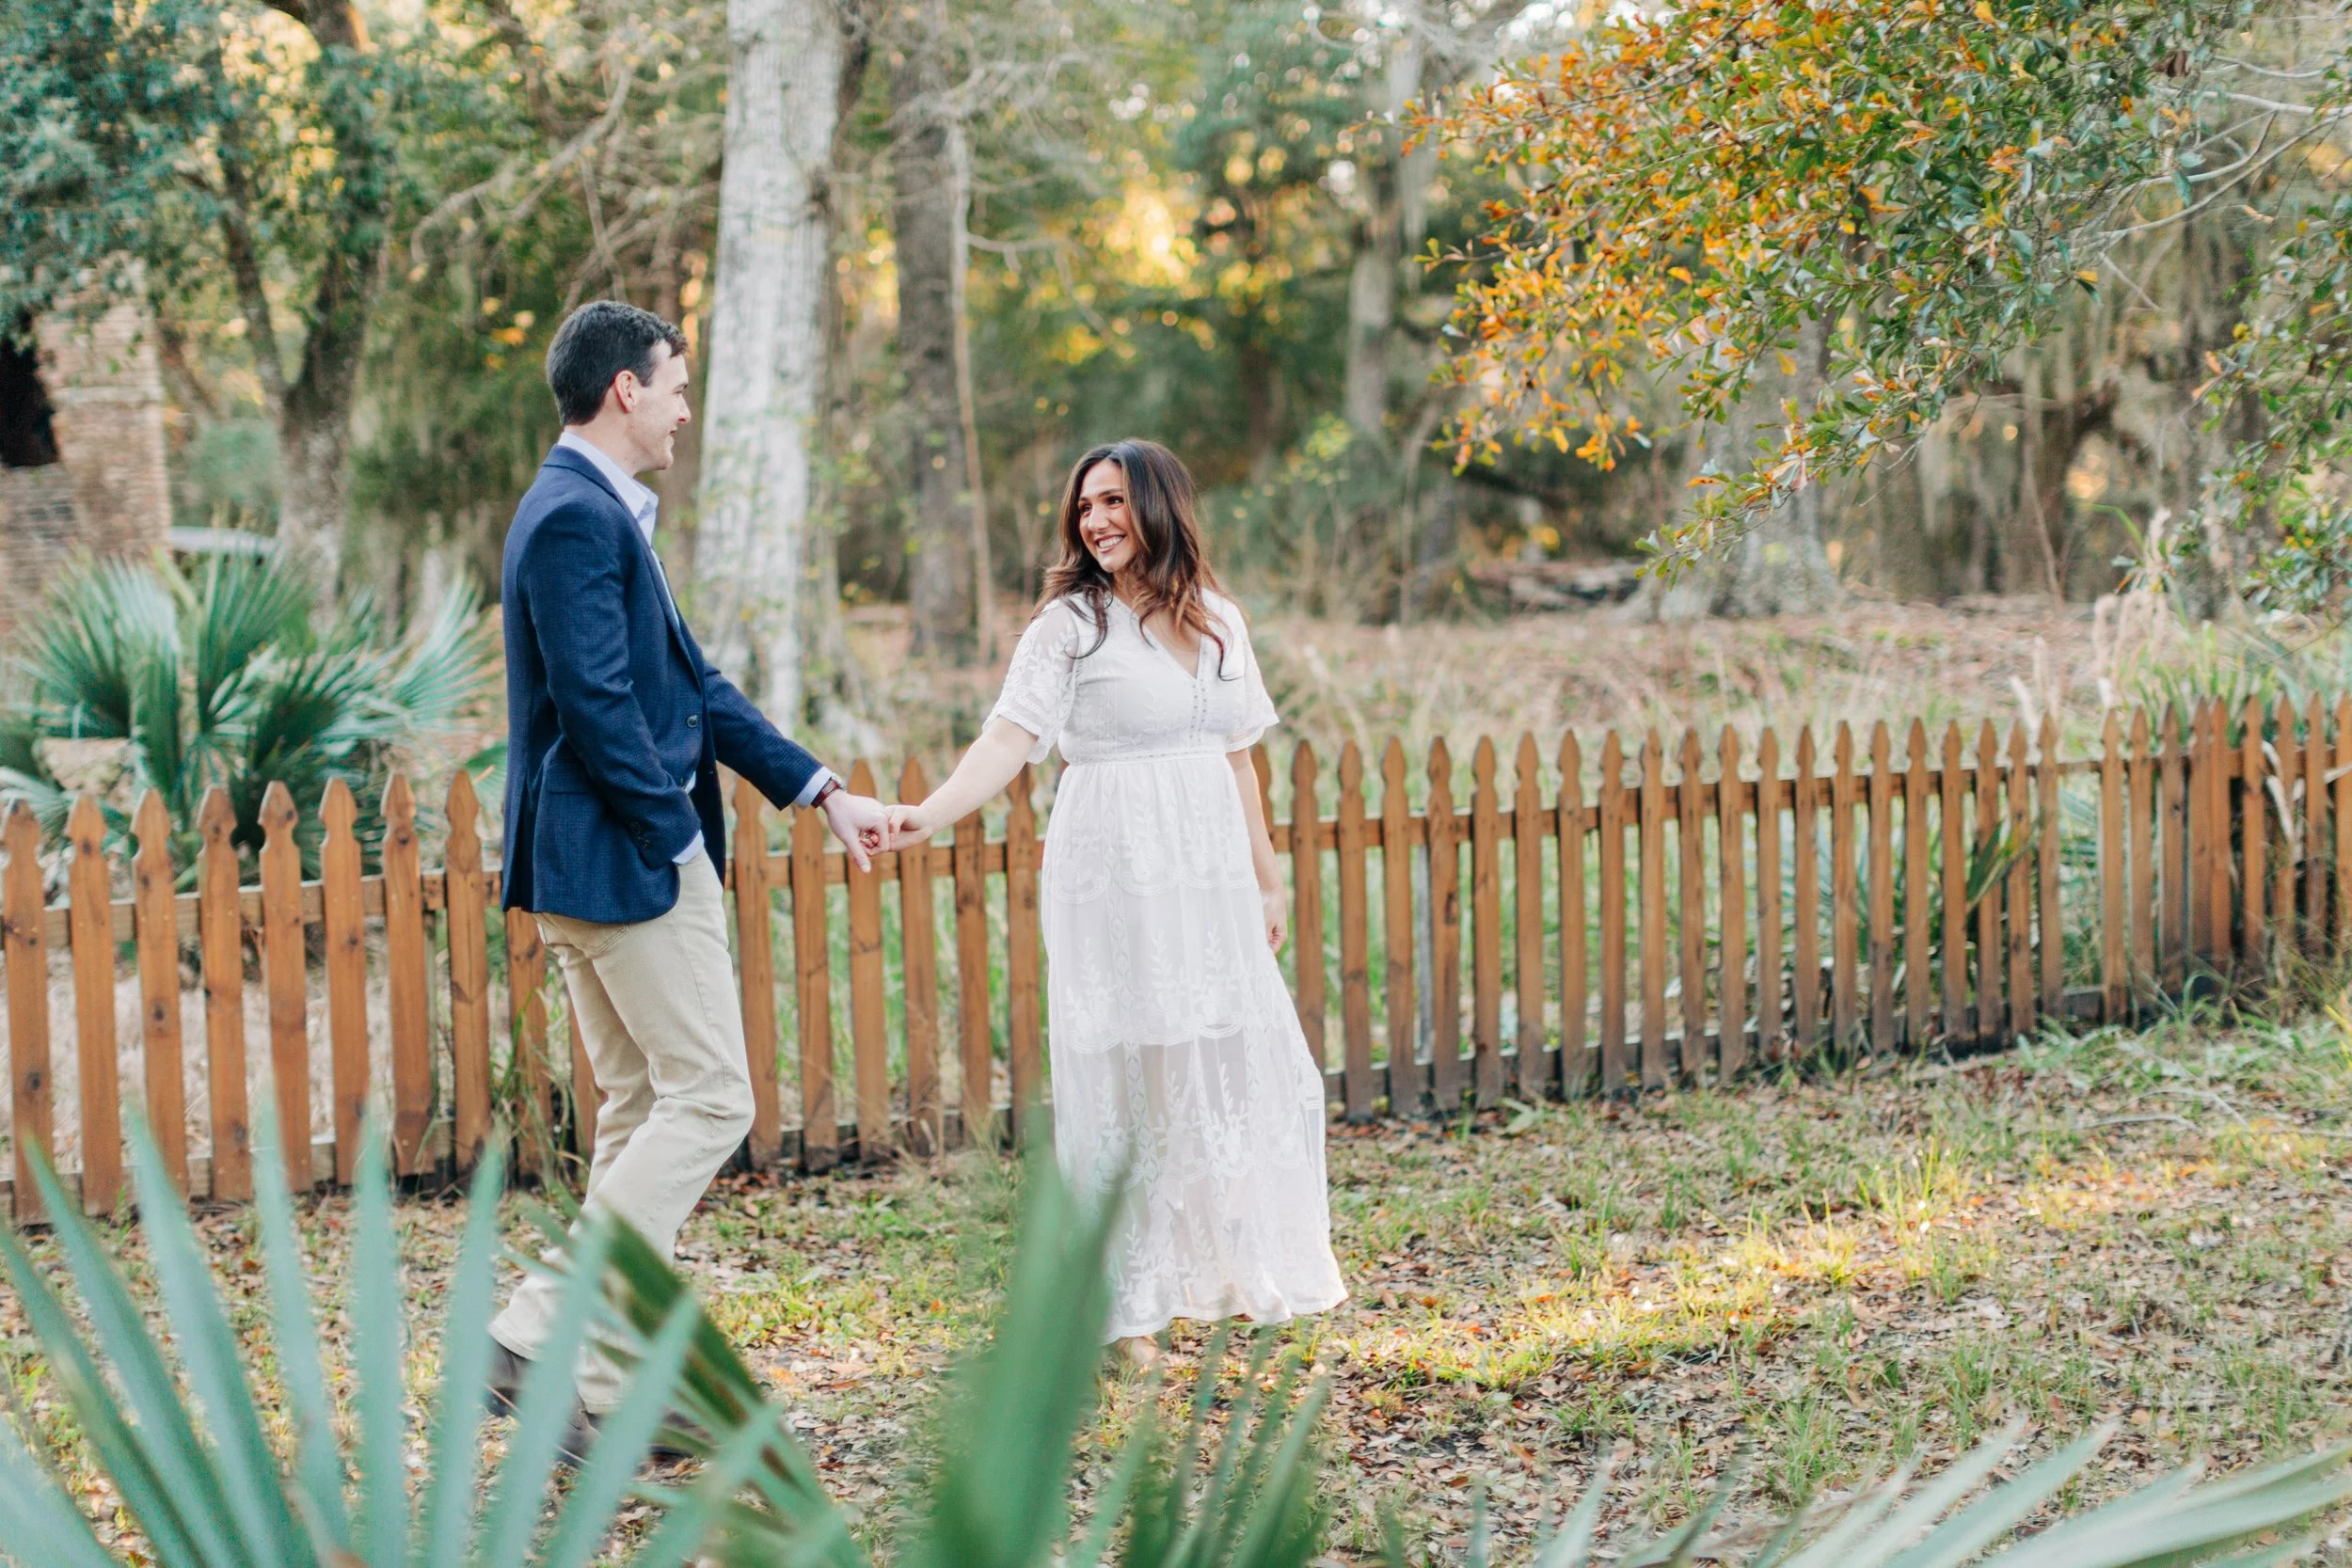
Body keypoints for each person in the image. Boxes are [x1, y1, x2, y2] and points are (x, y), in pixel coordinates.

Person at [487, 300, 891, 1452]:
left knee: (637, 1110)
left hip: (591, 862)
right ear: (623, 389)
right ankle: (531, 1325)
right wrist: (673, 835)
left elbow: (694, 688)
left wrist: (819, 789)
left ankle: (602, 1393)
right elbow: (601, 706)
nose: (681, 408)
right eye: (671, 384)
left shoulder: (595, 512)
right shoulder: (574, 516)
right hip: (623, 863)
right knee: (712, 1097)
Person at [884, 438, 1346, 1363]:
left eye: (1111, 501)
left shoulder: (1220, 621)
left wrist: (1269, 875)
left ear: (1159, 506)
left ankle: (1224, 1269)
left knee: (1213, 1059)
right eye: (1083, 506)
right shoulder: (1068, 627)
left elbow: (1237, 755)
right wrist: (926, 814)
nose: (1094, 520)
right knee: (1127, 1069)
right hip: (1114, 872)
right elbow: (1010, 738)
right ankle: (1124, 1302)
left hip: (1206, 870)